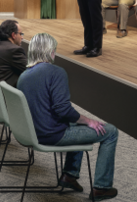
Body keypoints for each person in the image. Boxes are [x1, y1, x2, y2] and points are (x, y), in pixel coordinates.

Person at [17, 33, 118, 199]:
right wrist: (89, 120)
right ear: (50, 52)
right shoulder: (56, 72)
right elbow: (63, 110)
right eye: (54, 50)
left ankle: (69, 176)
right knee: (111, 131)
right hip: (52, 134)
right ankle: (102, 187)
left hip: (32, 132)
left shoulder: (24, 76)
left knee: (78, 123)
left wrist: (82, 121)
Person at [0, 20, 27, 87]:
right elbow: (30, 71)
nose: (22, 37)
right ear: (13, 35)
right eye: (20, 34)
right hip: (10, 95)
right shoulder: (14, 50)